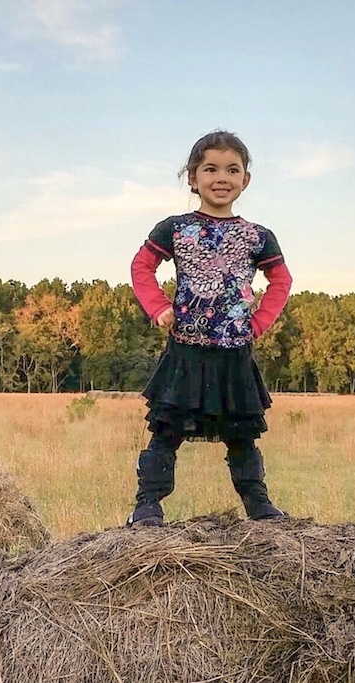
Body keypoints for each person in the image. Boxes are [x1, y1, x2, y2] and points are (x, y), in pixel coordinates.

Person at [126, 130, 293, 527]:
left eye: (232, 170)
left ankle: (258, 504)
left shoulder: (258, 236)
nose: (222, 178)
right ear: (193, 177)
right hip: (186, 350)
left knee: (242, 433)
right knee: (166, 430)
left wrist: (258, 323)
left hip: (235, 352)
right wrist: (158, 307)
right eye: (211, 169)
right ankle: (147, 505)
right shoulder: (174, 228)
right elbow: (141, 266)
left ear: (245, 180)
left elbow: (281, 280)